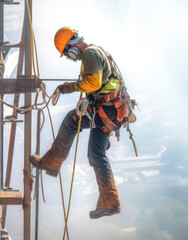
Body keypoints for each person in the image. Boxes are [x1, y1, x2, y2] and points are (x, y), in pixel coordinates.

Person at [30, 27, 134, 219]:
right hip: (112, 111)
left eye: (67, 54)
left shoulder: (90, 54)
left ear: (71, 48)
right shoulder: (95, 52)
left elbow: (93, 82)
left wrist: (71, 87)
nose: (71, 58)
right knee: (96, 153)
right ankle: (109, 201)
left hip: (107, 109)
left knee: (71, 121)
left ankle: (53, 163)